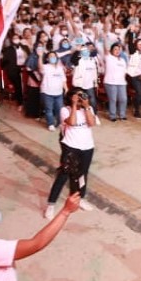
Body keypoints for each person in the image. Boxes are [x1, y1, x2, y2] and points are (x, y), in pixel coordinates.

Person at [44, 87, 98, 218]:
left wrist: (86, 107)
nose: (81, 98)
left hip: (87, 147)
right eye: (78, 96)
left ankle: (80, 198)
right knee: (64, 175)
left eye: (82, 95)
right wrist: (74, 105)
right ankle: (51, 204)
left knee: (82, 175)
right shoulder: (65, 110)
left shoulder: (88, 109)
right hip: (71, 147)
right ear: (70, 97)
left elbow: (91, 123)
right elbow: (72, 122)